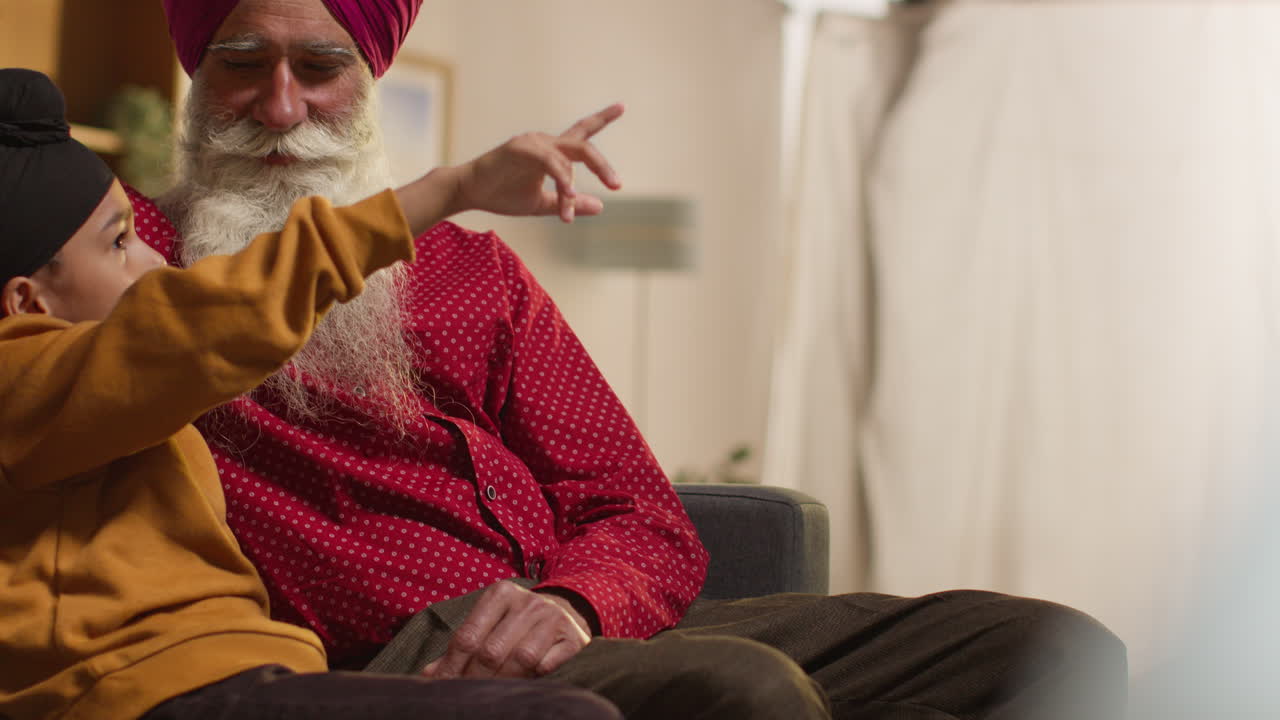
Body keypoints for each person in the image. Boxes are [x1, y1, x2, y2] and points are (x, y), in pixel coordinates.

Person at [139, 1, 1131, 718]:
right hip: (396, 656)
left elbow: (637, 509)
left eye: (318, 67)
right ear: (192, 75)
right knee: (746, 692)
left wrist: (571, 606)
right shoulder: (126, 268)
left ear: (366, 82)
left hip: (579, 624)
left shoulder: (471, 271)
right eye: (239, 63)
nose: (278, 107)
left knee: (1051, 650)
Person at [0, 67, 624, 720]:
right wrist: (452, 187)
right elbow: (210, 319)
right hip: (142, 694)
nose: (155, 260)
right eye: (120, 243)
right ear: (26, 302)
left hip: (258, 675)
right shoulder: (17, 380)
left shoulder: (101, 396)